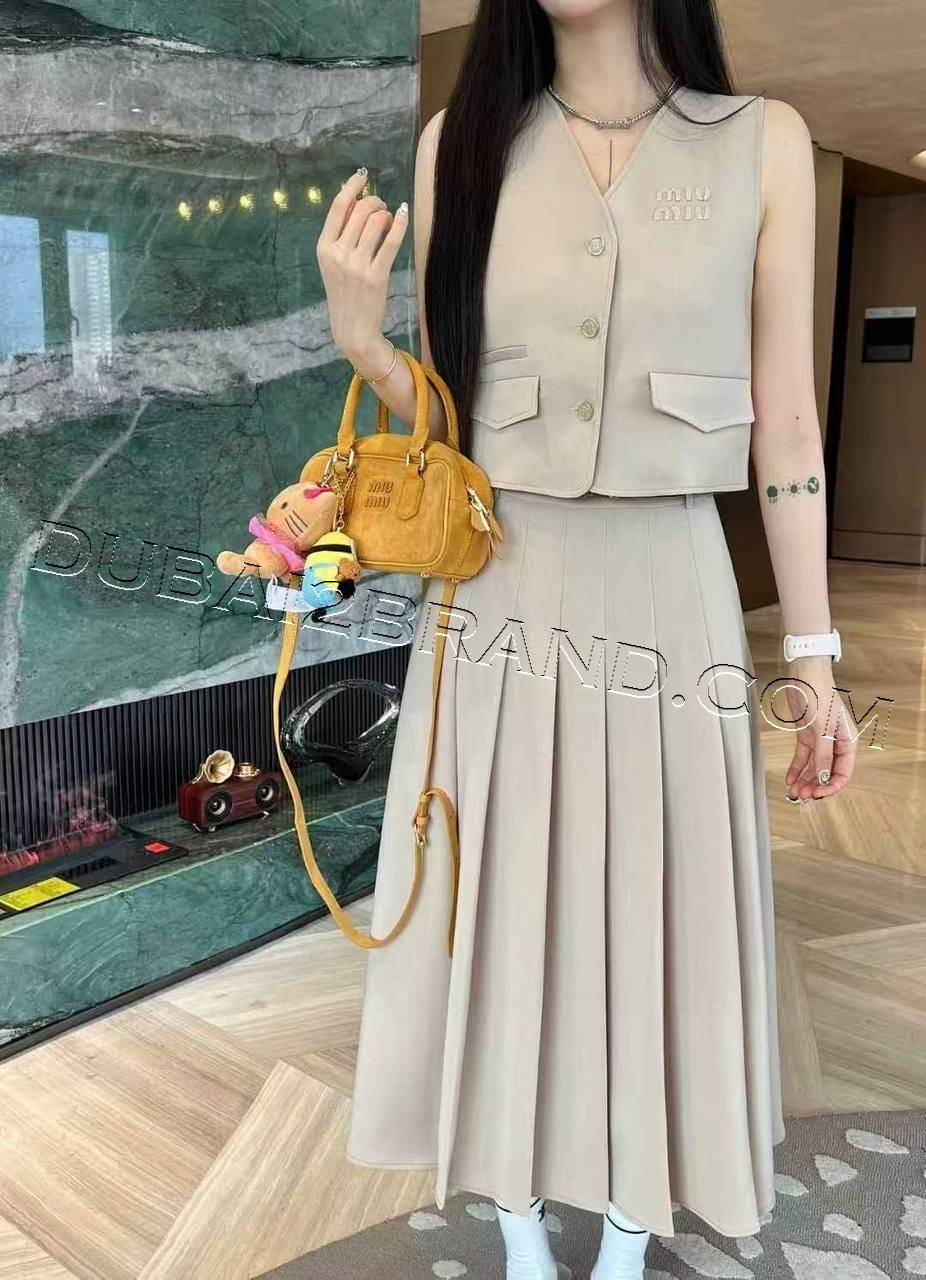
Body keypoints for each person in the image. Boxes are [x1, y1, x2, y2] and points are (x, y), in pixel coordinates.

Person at [316, 2, 858, 1276]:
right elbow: (444, 427)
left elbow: (786, 424)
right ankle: (515, 1213)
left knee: (657, 906)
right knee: (496, 899)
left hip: (674, 586)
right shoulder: (461, 143)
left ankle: (626, 1215)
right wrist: (361, 341)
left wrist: (814, 655)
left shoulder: (762, 143)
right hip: (495, 583)